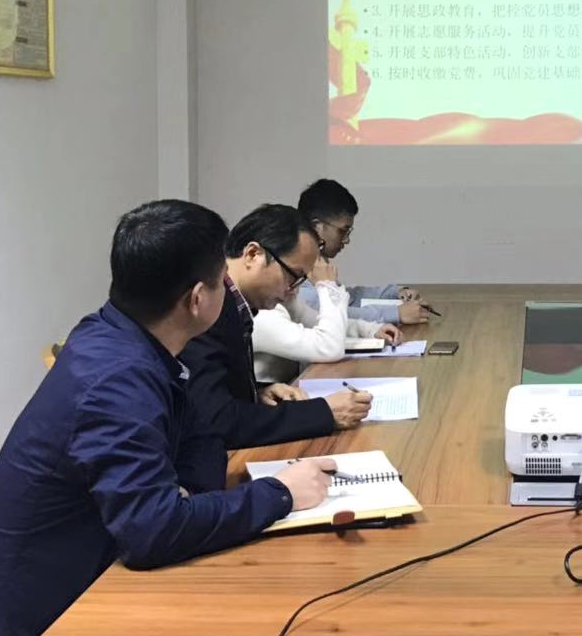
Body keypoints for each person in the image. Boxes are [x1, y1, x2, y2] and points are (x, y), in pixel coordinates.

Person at [0, 200, 338, 636]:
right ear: (197, 299)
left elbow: (198, 450)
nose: (229, 288)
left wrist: (186, 500)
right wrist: (281, 493)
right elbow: (153, 530)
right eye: (221, 281)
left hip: (69, 604)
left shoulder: (122, 338)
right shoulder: (116, 381)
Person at [180, 204, 371, 493]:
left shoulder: (237, 303)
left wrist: (256, 391)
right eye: (292, 275)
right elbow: (217, 420)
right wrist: (323, 412)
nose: (293, 289)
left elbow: (207, 390)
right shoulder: (208, 307)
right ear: (253, 255)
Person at [295, 178, 428, 326]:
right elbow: (334, 314)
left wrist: (395, 293)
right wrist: (396, 313)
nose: (346, 240)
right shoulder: (297, 269)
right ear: (316, 226)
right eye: (342, 231)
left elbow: (348, 298)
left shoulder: (317, 261)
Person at [252, 251, 401, 382]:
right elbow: (329, 347)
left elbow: (315, 321)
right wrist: (328, 285)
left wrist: (371, 330)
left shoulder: (283, 299)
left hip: (291, 388)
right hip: (269, 400)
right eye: (294, 274)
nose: (295, 287)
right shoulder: (262, 313)